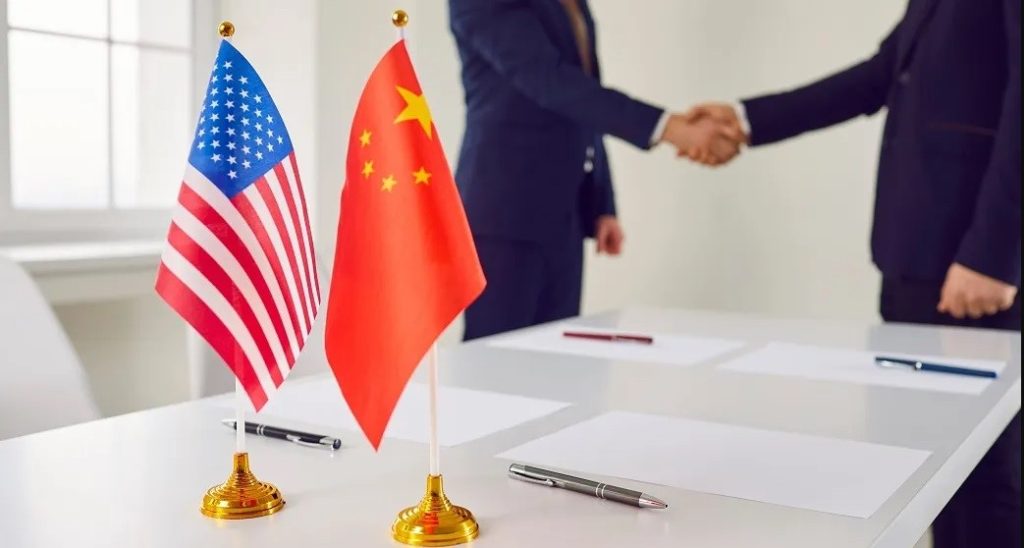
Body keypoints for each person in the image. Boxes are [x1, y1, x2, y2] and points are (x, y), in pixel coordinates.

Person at [689, 1, 1020, 546]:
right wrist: (747, 120)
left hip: (973, 266)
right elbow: (881, 73)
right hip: (915, 252)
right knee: (939, 466)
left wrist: (994, 253)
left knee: (986, 476)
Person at [448, 0, 739, 341]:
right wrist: (668, 127)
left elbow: (583, 98)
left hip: (565, 216)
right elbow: (550, 81)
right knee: (494, 358)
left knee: (558, 354)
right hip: (504, 214)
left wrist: (601, 202)